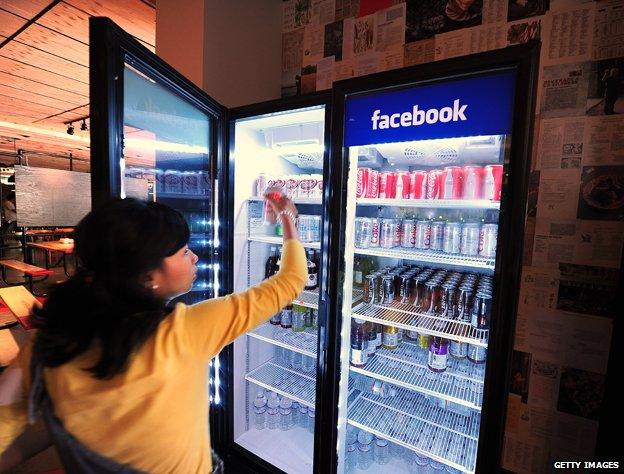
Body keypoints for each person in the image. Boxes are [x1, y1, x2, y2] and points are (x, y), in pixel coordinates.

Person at [0, 191, 306, 473]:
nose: (194, 257)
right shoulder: (186, 332)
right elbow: (291, 280)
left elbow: (9, 431)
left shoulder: (46, 342)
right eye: (184, 252)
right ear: (148, 277)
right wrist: (288, 219)